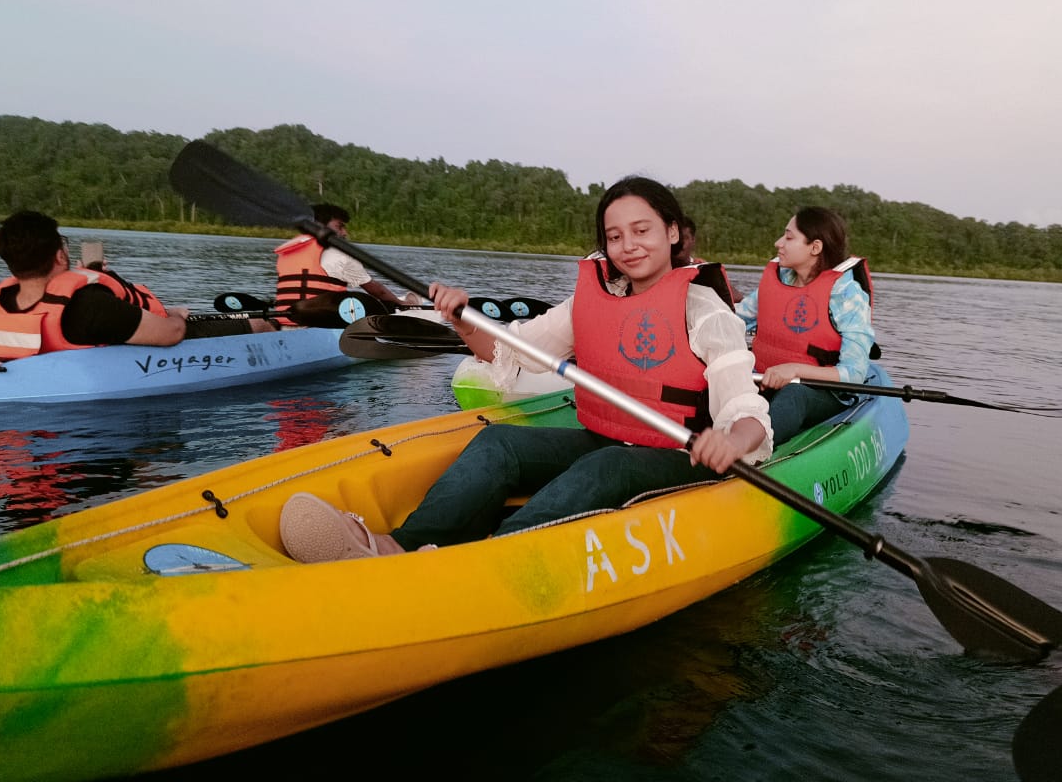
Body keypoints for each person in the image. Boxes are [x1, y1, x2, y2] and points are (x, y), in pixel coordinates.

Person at [279, 176, 774, 561]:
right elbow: (506, 350)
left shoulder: (704, 308)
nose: (628, 246)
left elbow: (744, 405)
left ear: (671, 232)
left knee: (605, 466)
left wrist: (732, 440)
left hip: (679, 454)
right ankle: (402, 546)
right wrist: (460, 317)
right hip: (606, 437)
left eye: (642, 231)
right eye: (615, 235)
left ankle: (493, 559)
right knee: (500, 443)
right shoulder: (593, 298)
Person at [0, 211, 270, 358]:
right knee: (261, 326)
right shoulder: (89, 305)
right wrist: (177, 316)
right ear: (60, 254)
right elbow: (172, 333)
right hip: (163, 335)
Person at [734, 207, 876, 445]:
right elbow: (736, 320)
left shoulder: (847, 294)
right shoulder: (779, 282)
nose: (779, 243)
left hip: (821, 392)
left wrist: (795, 370)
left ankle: (746, 450)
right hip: (765, 380)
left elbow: (853, 374)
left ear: (815, 247)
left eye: (789, 237)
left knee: (794, 394)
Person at [272, 202, 421, 324]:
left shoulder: (288, 250)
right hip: (321, 323)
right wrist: (398, 303)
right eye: (339, 226)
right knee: (380, 303)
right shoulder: (339, 253)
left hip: (285, 320)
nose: (344, 233)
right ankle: (404, 305)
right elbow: (377, 290)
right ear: (320, 226)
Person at [680, 215, 743, 303]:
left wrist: (709, 274)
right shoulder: (660, 268)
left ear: (693, 240)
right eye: (677, 239)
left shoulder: (704, 269)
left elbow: (738, 297)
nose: (680, 243)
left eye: (684, 238)